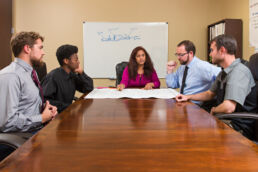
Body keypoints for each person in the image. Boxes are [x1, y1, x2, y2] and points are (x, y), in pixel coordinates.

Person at [176, 35, 257, 140]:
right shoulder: (224, 72)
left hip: (237, 127)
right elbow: (209, 94)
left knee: (192, 134)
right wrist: (188, 97)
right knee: (187, 127)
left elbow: (228, 107)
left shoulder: (238, 72)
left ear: (222, 50)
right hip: (224, 120)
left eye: (212, 50)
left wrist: (214, 110)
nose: (210, 54)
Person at [0, 31, 57, 133]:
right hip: (21, 139)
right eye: (40, 48)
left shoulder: (31, 73)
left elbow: (25, 104)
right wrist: (42, 118)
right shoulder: (11, 76)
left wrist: (44, 109)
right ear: (27, 49)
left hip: (35, 131)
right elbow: (7, 122)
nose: (43, 52)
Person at [166, 40, 221, 105]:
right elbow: (172, 85)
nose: (178, 58)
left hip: (196, 105)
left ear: (191, 53)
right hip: (183, 103)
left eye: (181, 55)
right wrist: (169, 70)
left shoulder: (202, 66)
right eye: (177, 54)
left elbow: (223, 74)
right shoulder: (182, 67)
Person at [42, 44, 93, 113]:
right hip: (56, 117)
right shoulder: (53, 77)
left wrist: (82, 73)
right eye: (76, 59)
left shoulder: (72, 75)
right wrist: (68, 106)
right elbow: (45, 100)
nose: (78, 62)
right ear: (66, 61)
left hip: (68, 113)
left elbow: (88, 88)